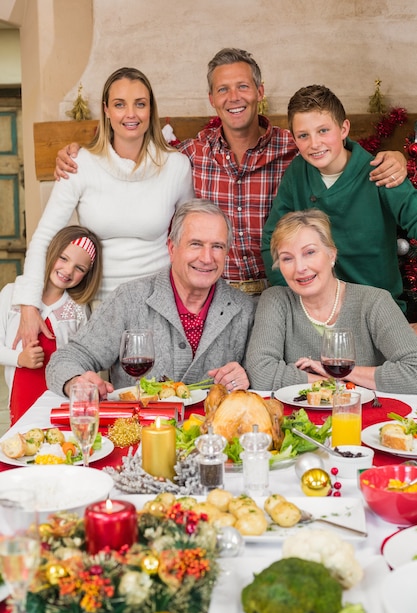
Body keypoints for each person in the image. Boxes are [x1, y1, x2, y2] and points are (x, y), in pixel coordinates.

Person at [54, 50, 406, 297]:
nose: (233, 97)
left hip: (280, 291)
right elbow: (134, 160)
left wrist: (394, 160)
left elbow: (337, 154)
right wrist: (80, 152)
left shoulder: (294, 149)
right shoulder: (189, 156)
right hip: (214, 295)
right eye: (222, 89)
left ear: (259, 92)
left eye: (242, 86)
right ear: (211, 98)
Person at [14, 66, 194, 348]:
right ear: (106, 110)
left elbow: (188, 239)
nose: (130, 114)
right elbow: (45, 236)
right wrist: (28, 304)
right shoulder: (80, 165)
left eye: (140, 104)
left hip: (160, 303)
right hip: (97, 306)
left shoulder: (176, 166)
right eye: (120, 104)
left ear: (151, 110)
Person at [46, 199, 255, 399]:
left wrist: (245, 378)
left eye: (217, 246)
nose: (207, 258)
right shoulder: (129, 299)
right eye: (196, 244)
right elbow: (66, 359)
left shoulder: (245, 309)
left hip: (214, 434)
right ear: (172, 249)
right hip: (139, 431)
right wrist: (76, 382)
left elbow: (260, 380)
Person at [262, 84, 417, 313]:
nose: (314, 144)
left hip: (377, 308)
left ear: (344, 128)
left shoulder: (380, 171)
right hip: (316, 309)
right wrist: (294, 294)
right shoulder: (297, 173)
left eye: (323, 131)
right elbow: (271, 241)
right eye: (303, 135)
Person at [246, 210, 417, 393]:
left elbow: (413, 372)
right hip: (296, 421)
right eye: (287, 258)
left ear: (331, 255)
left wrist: (341, 373)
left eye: (310, 252)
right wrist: (328, 383)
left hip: (367, 420)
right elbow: (261, 373)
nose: (300, 268)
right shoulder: (276, 301)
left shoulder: (374, 302)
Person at [0, 225, 102, 423]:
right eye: (63, 258)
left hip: (60, 401)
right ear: (51, 252)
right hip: (21, 400)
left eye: (79, 268)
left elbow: (85, 358)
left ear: (87, 274)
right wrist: (20, 358)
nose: (68, 270)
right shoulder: (11, 294)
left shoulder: (78, 310)